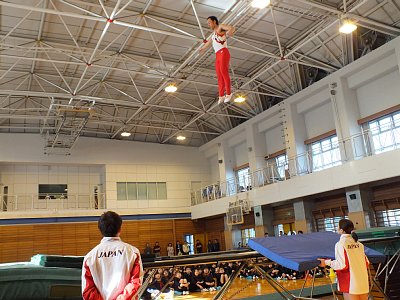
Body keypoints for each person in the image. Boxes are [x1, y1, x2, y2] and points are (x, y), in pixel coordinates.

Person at [82, 211, 143, 300]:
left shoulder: (90, 257)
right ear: (120, 229)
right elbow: (135, 282)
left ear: (100, 230)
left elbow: (87, 291)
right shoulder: (133, 252)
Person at [318, 219, 369, 300]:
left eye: (337, 226)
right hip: (363, 282)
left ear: (341, 230)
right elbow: (366, 262)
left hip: (350, 283)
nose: (337, 228)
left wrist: (326, 262)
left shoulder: (341, 244)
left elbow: (342, 265)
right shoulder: (359, 244)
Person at [199, 16, 235, 104]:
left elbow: (231, 27)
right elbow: (208, 43)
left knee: (224, 72)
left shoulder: (220, 27)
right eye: (208, 23)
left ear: (214, 21)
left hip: (223, 52)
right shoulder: (213, 35)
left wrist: (230, 31)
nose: (208, 25)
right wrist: (202, 49)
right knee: (219, 76)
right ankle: (221, 95)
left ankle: (229, 93)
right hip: (218, 55)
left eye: (209, 23)